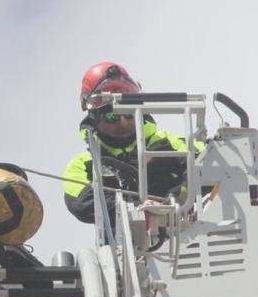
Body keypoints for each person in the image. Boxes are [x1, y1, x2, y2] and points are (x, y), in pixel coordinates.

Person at [63, 61, 197, 223]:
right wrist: (136, 210)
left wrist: (169, 203)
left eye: (128, 114)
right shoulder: (83, 164)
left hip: (182, 229)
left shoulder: (166, 142)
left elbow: (204, 163)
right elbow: (81, 201)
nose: (122, 123)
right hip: (127, 243)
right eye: (111, 116)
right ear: (94, 118)